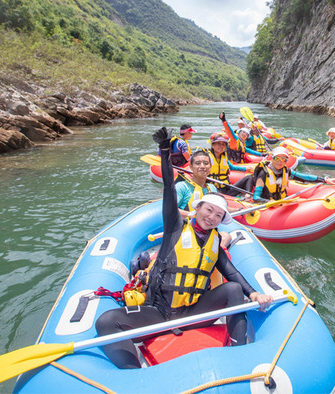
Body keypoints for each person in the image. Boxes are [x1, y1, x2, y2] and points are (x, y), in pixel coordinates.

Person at [95, 126, 273, 369]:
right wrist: (165, 152)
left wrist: (253, 293)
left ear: (221, 221)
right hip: (158, 313)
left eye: (218, 215)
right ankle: (134, 376)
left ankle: (239, 355)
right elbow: (169, 190)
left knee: (232, 288)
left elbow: (231, 272)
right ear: (197, 209)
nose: (212, 217)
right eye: (208, 210)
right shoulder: (174, 228)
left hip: (193, 314)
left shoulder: (213, 243)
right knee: (106, 322)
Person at [252, 147, 335, 202]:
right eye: (277, 158)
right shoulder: (263, 173)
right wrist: (268, 202)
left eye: (284, 159)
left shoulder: (286, 171)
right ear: (272, 158)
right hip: (267, 205)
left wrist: (324, 179)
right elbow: (256, 197)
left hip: (281, 201)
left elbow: (305, 177)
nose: (280, 162)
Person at [208, 132, 254, 196]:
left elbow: (231, 167)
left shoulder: (224, 157)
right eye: (218, 144)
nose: (221, 146)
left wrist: (245, 168)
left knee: (249, 177)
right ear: (213, 145)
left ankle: (247, 196)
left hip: (226, 189)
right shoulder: (206, 157)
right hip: (213, 190)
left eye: (223, 144)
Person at [175, 149, 218, 218]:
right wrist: (195, 216)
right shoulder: (181, 186)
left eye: (206, 163)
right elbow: (171, 209)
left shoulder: (212, 188)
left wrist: (239, 209)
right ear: (191, 167)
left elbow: (219, 208)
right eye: (198, 163)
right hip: (186, 227)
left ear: (210, 167)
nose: (202, 166)